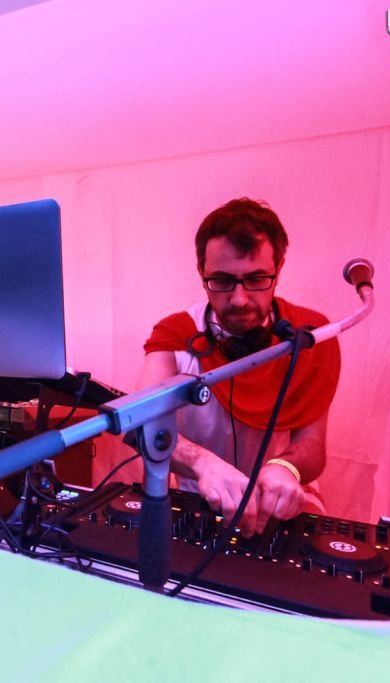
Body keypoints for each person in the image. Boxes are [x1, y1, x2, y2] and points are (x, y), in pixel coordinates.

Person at [137, 198, 340, 536]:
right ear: (201, 273)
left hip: (283, 506)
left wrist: (285, 467)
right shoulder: (174, 335)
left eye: (256, 279)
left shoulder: (311, 337)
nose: (239, 299)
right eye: (222, 280)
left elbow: (313, 446)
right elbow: (139, 425)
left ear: (279, 269)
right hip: (197, 502)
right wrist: (202, 463)